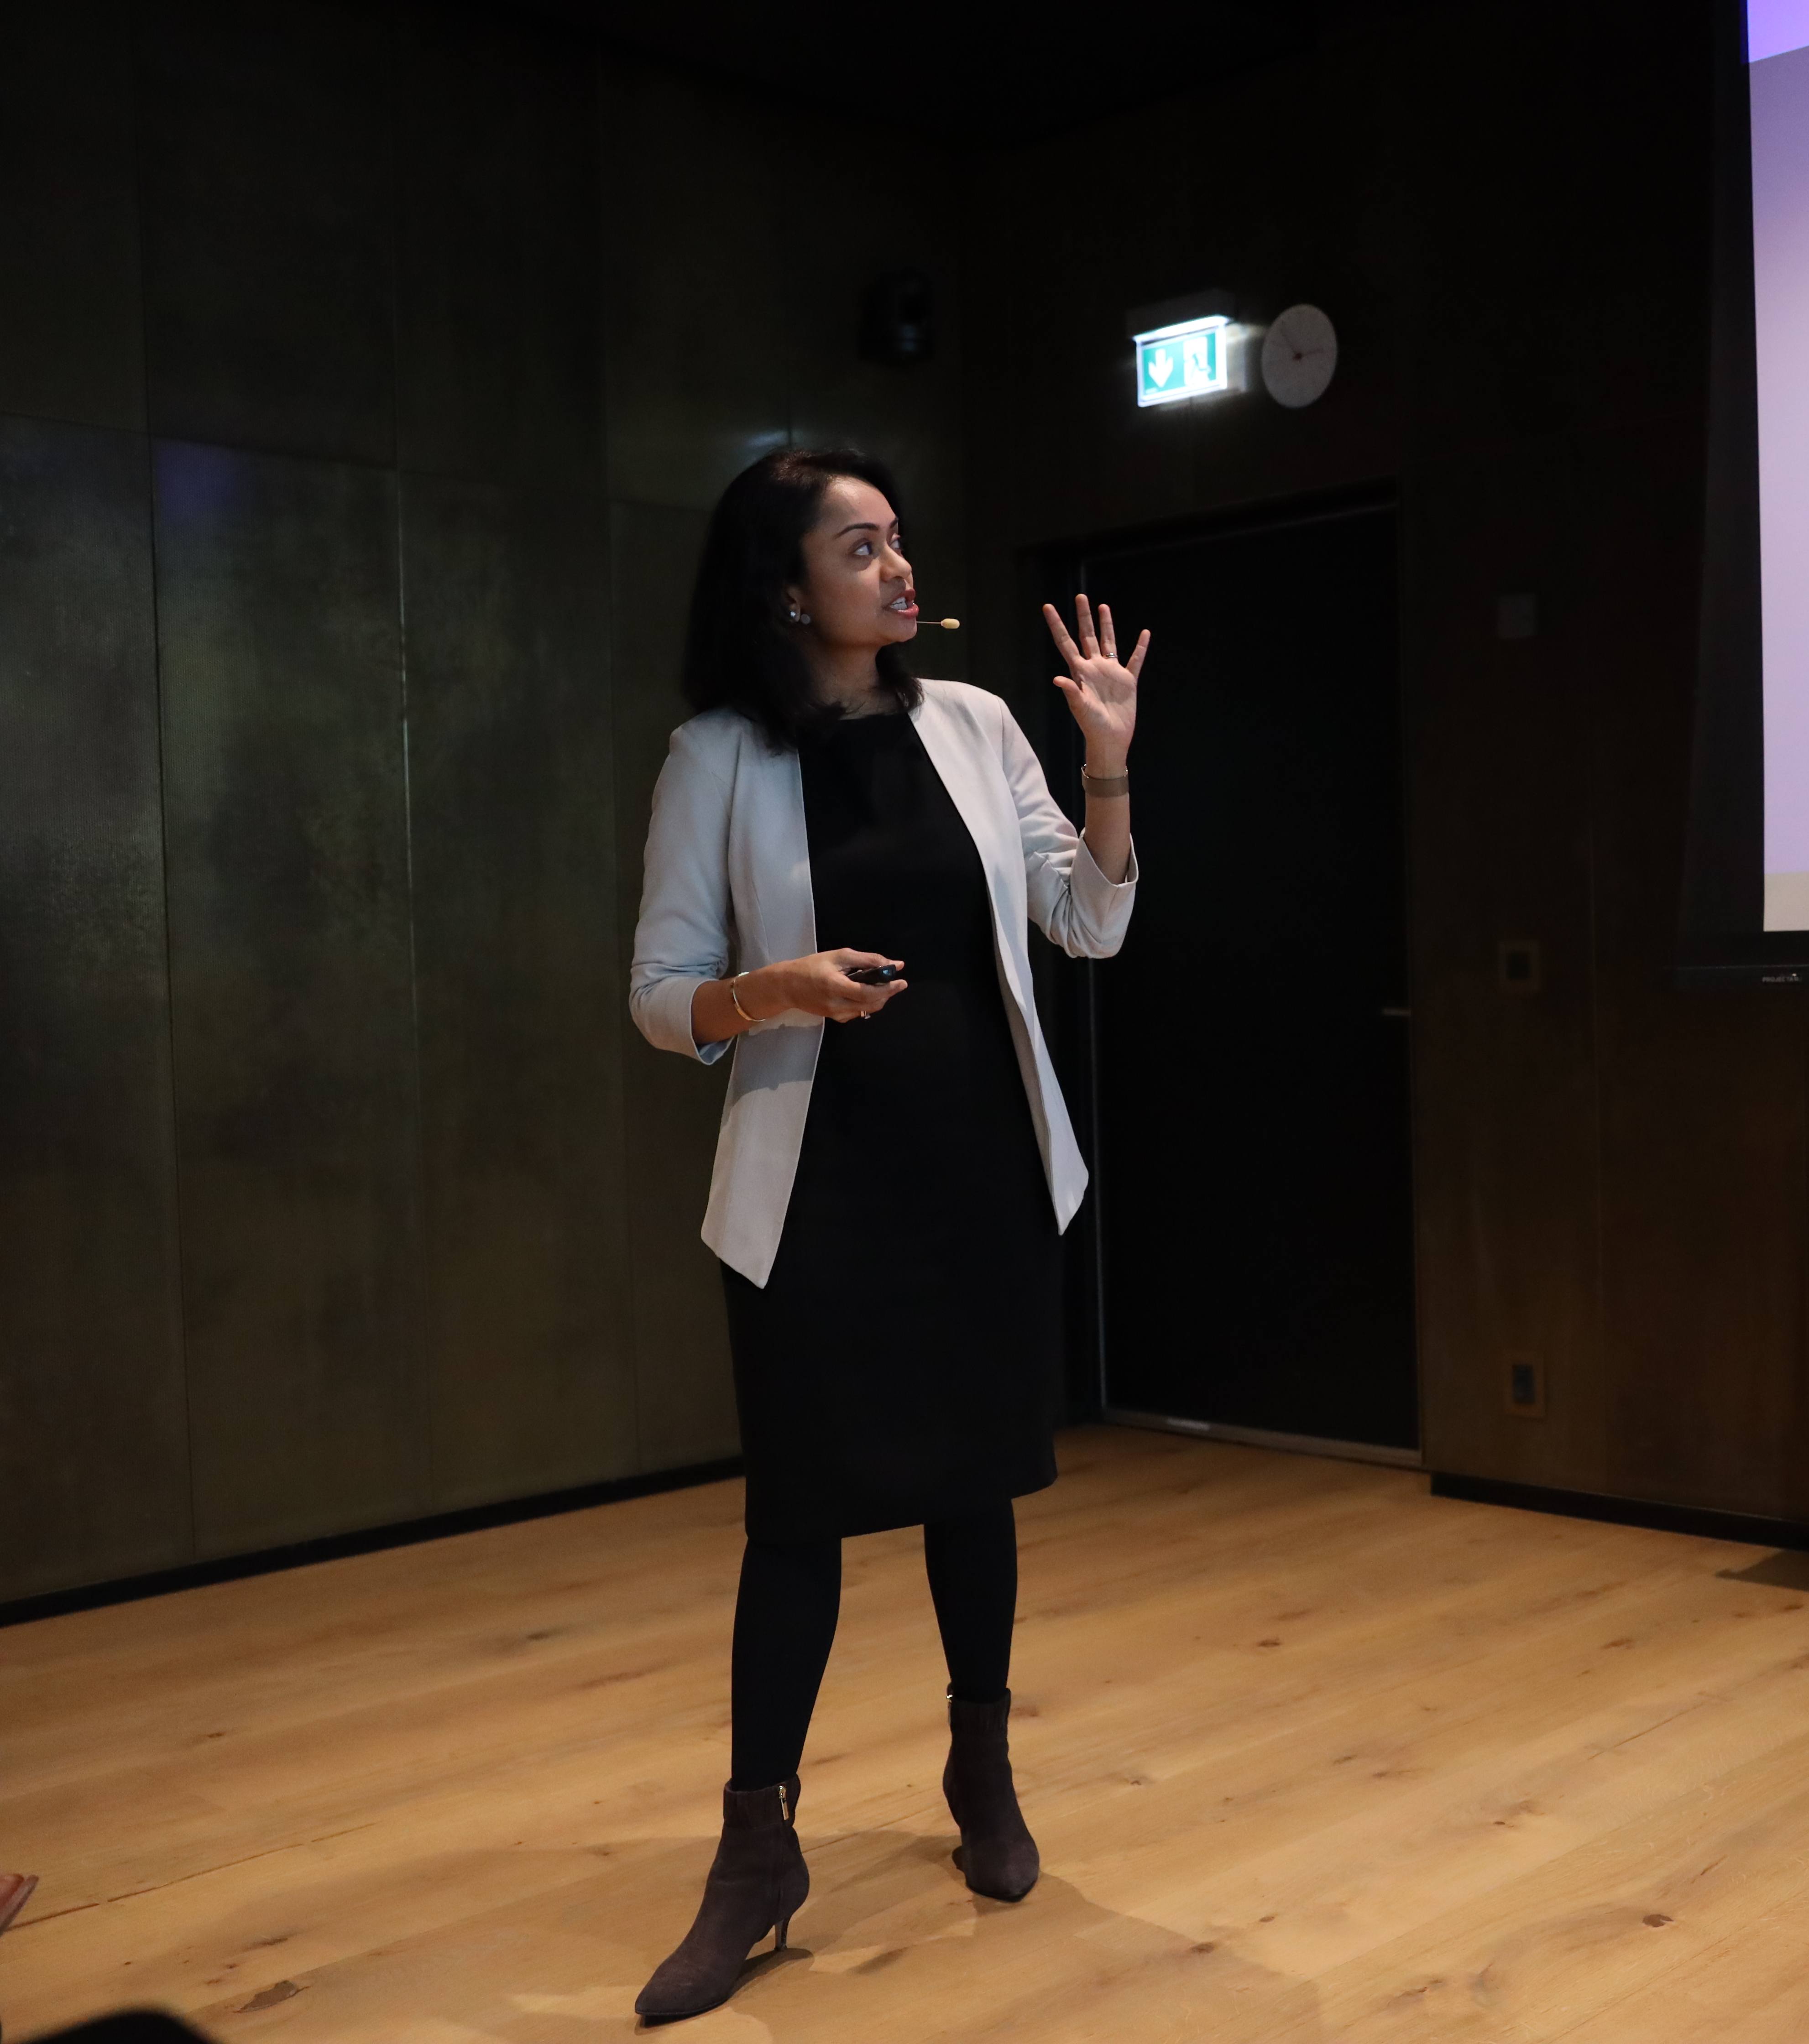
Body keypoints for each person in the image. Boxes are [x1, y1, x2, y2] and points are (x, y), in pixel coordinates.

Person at [624, 448, 1143, 2023]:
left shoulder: (976, 724)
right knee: (799, 1518)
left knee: (974, 1488)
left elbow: (1090, 920)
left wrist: (1107, 765)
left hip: (978, 1168)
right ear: (787, 587)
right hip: (815, 1191)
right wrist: (770, 991)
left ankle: (982, 1768)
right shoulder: (717, 755)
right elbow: (659, 997)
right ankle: (755, 1852)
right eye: (861, 547)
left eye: (899, 540)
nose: (899, 568)